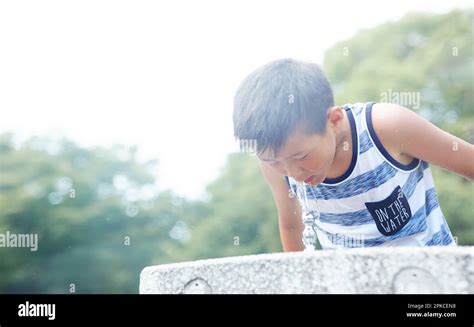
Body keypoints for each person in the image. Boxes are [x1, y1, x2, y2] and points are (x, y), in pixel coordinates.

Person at [233, 58, 474, 251]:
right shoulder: (274, 162)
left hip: (433, 281)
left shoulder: (385, 128)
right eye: (274, 161)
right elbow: (291, 226)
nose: (293, 173)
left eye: (302, 156)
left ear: (334, 120)